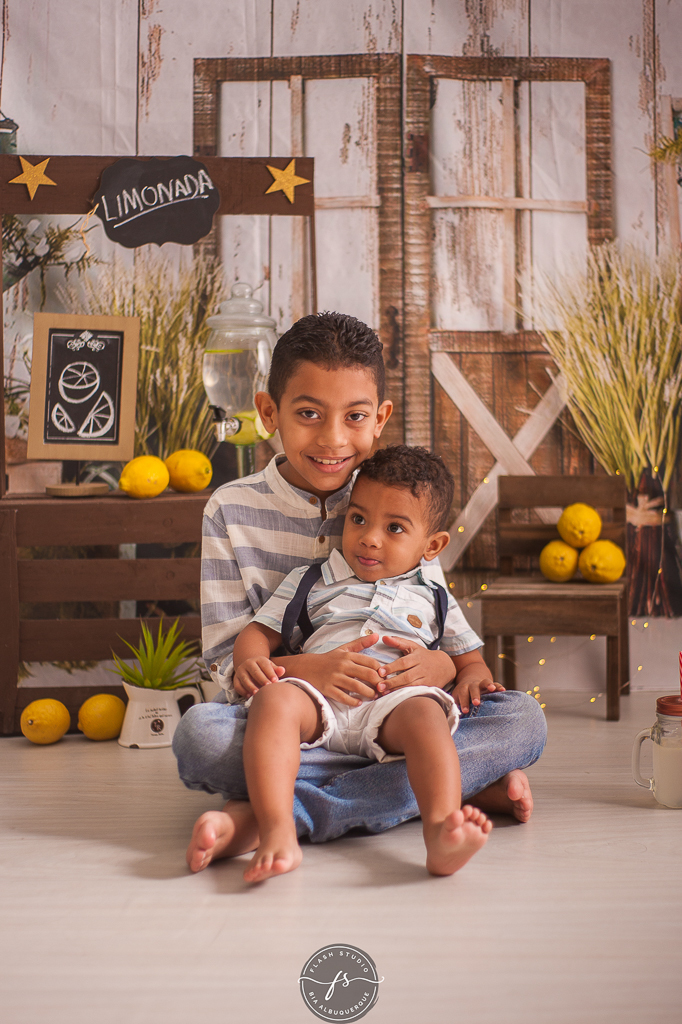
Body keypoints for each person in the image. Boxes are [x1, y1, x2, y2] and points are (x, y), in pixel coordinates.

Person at [173, 312, 546, 873]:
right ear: (269, 412)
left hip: (397, 705)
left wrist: (445, 667)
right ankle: (446, 788)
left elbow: (437, 618)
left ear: (379, 420)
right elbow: (228, 663)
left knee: (523, 719)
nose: (332, 439)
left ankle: (274, 809)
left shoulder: (396, 496)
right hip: (297, 710)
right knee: (200, 737)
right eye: (307, 415)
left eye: (354, 417)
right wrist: (308, 670)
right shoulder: (229, 509)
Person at [234, 446, 494, 882]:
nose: (370, 537)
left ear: (432, 545)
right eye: (358, 519)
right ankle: (277, 828)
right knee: (271, 704)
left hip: (395, 704)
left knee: (432, 718)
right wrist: (251, 663)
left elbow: (475, 665)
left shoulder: (433, 595)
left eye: (394, 528)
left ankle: (440, 830)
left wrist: (460, 675)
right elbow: (259, 633)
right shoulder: (312, 579)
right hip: (318, 699)